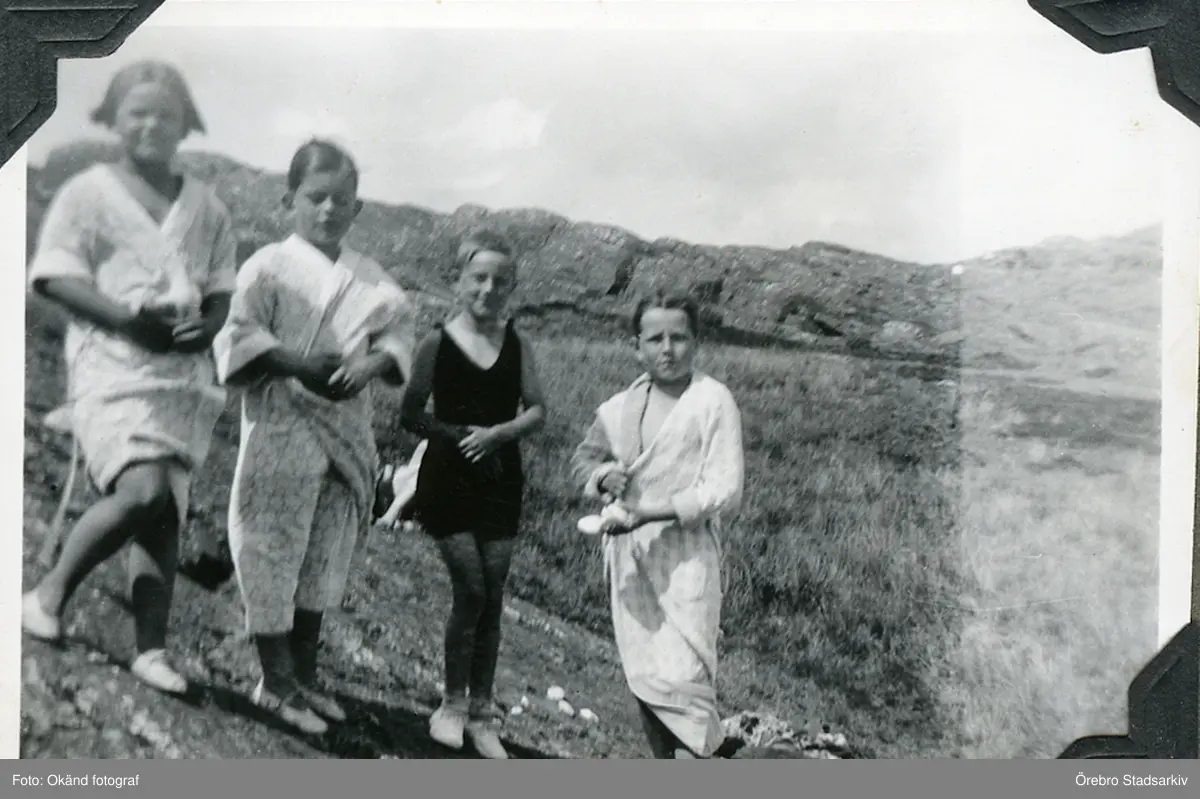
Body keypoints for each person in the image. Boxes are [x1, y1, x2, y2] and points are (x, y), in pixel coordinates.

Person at [21, 60, 236, 696]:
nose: (151, 125)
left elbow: (221, 288)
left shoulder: (207, 207)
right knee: (143, 492)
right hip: (112, 363)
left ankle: (151, 648)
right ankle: (47, 596)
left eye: (165, 114)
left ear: (185, 124)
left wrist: (209, 325)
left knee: (164, 513)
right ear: (113, 118)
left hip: (181, 376)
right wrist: (126, 321)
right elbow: (53, 275)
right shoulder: (88, 193)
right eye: (137, 112)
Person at [211, 139, 416, 736]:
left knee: (323, 553)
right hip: (282, 421)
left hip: (344, 430)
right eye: (315, 196)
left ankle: (302, 676)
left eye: (341, 200)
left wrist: (371, 365)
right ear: (289, 201)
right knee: (272, 546)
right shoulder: (267, 266)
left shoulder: (371, 279)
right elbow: (236, 334)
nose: (328, 209)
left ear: (357, 208)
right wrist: (298, 365)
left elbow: (398, 333)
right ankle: (274, 683)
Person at [570, 291, 745, 759]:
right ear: (636, 346)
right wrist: (602, 476)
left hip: (687, 560)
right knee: (646, 677)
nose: (667, 349)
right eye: (655, 339)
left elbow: (725, 488)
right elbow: (585, 459)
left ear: (696, 342)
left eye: (679, 337)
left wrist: (653, 512)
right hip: (630, 561)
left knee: (686, 680)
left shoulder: (713, 401)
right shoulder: (619, 408)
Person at [400, 230, 547, 759]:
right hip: (447, 479)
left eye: (500, 281)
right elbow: (410, 414)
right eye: (478, 278)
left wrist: (497, 435)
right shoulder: (435, 343)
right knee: (472, 590)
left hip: (500, 479)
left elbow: (537, 409)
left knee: (493, 597)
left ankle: (482, 715)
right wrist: (458, 434)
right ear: (458, 281)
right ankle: (451, 706)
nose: (488, 289)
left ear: (512, 287)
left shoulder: (518, 344)